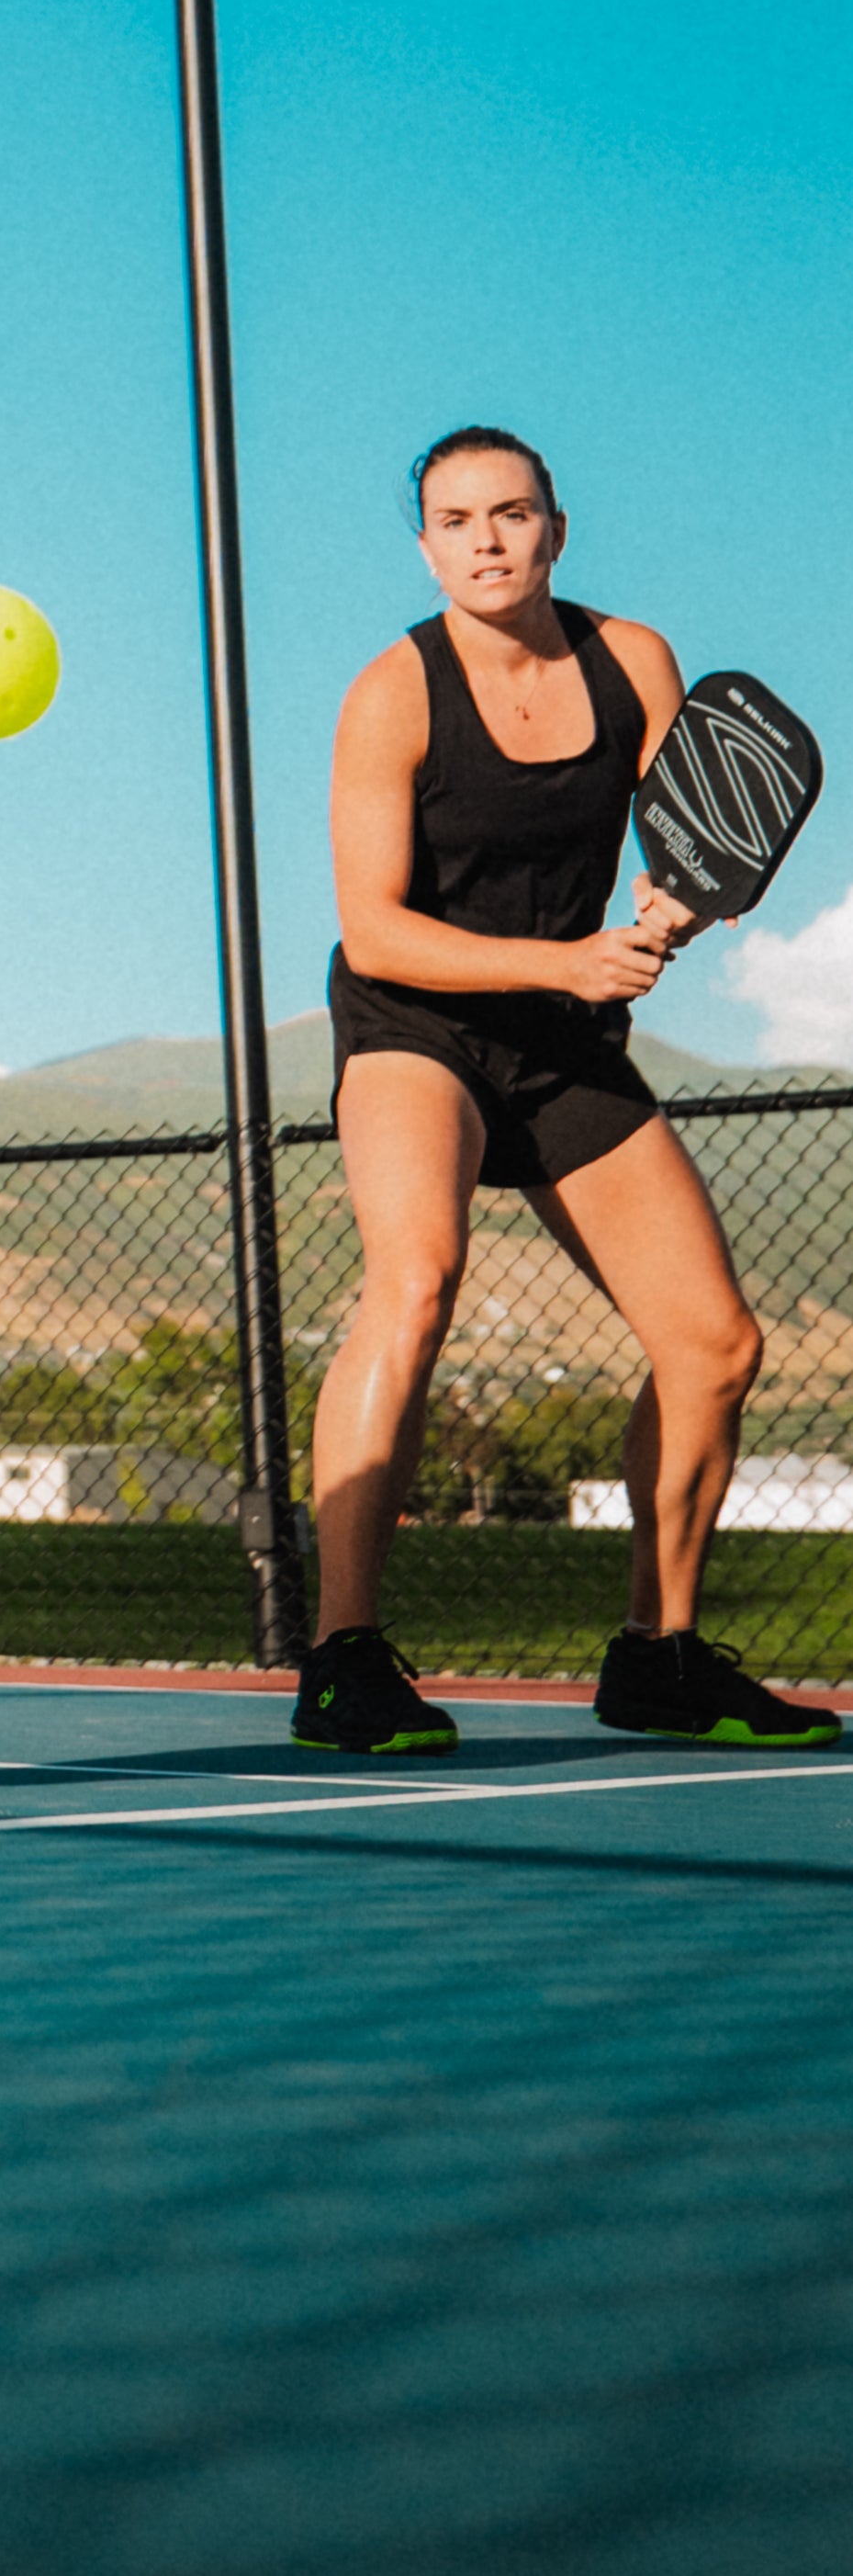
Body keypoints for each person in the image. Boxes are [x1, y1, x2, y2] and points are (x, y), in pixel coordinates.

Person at [296, 424, 836, 1757]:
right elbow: (371, 931)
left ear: (554, 528)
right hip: (414, 1025)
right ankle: (339, 1657)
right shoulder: (392, 695)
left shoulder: (633, 661)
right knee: (414, 1276)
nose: (484, 539)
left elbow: (693, 833)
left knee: (714, 1345)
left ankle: (656, 1656)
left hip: (563, 1038)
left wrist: (671, 921)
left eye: (509, 513)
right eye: (454, 519)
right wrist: (568, 958)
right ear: (421, 546)